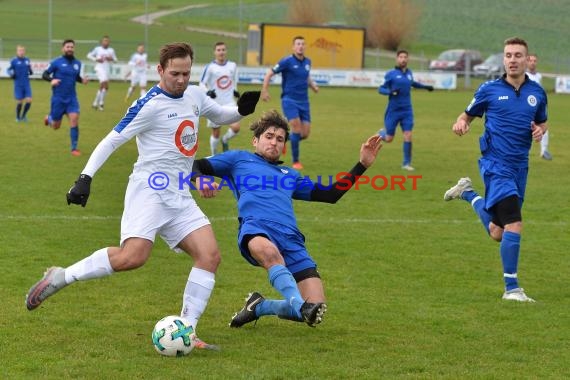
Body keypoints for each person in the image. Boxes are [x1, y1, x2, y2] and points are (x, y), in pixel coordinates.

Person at [25, 42, 261, 349]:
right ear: (160, 70)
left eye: (186, 73)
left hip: (178, 190)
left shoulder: (195, 93)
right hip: (148, 189)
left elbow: (221, 115)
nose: (181, 79)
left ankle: (186, 330)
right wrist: (84, 178)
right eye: (175, 73)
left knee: (209, 256)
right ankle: (62, 276)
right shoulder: (147, 105)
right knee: (132, 257)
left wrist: (242, 110)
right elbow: (111, 140)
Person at [190, 110, 382, 328]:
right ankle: (298, 304)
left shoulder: (290, 175)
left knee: (315, 309)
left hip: (291, 238)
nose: (274, 142)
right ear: (256, 140)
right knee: (270, 254)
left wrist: (362, 165)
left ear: (284, 146)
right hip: (256, 228)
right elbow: (194, 164)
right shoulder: (238, 159)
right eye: (269, 137)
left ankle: (259, 306)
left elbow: (331, 194)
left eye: (279, 139)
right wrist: (199, 179)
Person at [444, 37, 547, 303]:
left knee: (497, 232)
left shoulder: (537, 93)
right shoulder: (489, 89)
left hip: (520, 167)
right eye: (508, 55)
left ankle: (467, 193)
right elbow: (465, 115)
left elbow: (542, 123)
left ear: (527, 60)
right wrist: (460, 124)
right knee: (514, 223)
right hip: (495, 165)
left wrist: (539, 130)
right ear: (504, 59)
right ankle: (512, 289)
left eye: (517, 55)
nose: (512, 59)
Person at [261, 36, 319, 170]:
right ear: (293, 47)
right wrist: (264, 90)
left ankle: (287, 140)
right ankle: (296, 162)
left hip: (304, 101)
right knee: (296, 128)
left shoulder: (307, 62)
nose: (300, 46)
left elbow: (306, 76)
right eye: (298, 44)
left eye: (303, 44)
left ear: (305, 47)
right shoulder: (286, 61)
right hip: (289, 100)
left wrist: (313, 86)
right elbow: (269, 73)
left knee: (304, 134)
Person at [377, 50, 434, 171]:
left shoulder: (409, 73)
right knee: (388, 138)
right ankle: (380, 134)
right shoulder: (391, 74)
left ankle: (406, 164)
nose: (403, 59)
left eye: (405, 57)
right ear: (397, 59)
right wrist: (390, 92)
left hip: (407, 110)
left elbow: (412, 83)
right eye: (401, 57)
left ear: (408, 59)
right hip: (393, 111)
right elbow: (381, 89)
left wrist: (425, 87)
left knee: (408, 135)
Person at [42, 39, 89, 156]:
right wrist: (51, 80)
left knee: (74, 119)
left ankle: (74, 148)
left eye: (72, 47)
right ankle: (49, 118)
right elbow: (45, 74)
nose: (70, 49)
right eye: (67, 47)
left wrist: (82, 80)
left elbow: (76, 76)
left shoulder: (77, 63)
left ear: (74, 49)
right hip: (58, 99)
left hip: (72, 98)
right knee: (56, 126)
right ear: (63, 48)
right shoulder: (56, 62)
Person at [199, 41, 241, 155]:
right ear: (215, 52)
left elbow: (234, 80)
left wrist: (235, 91)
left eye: (223, 49)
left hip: (229, 102)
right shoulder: (210, 67)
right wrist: (208, 92)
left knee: (236, 127)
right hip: (214, 104)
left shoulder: (232, 65)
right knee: (216, 132)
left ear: (226, 51)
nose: (221, 52)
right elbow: (201, 83)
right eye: (218, 50)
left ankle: (225, 139)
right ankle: (214, 155)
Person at [527, 53, 552, 160]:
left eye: (534, 61)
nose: (532, 63)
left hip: (537, 106)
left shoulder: (539, 76)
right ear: (527, 62)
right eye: (530, 60)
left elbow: (540, 92)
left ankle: (543, 151)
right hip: (527, 107)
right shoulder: (524, 76)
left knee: (543, 127)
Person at [87, 35, 118, 111]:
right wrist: (96, 59)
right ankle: (101, 103)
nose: (106, 42)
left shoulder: (111, 50)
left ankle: (95, 103)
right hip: (99, 68)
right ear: (102, 42)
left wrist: (111, 59)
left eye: (107, 41)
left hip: (107, 69)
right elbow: (89, 55)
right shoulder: (97, 49)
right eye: (105, 41)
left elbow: (115, 60)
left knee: (105, 87)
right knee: (103, 83)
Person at [7, 45, 33, 122]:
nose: (21, 52)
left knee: (29, 100)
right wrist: (11, 74)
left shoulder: (27, 60)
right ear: (17, 52)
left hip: (26, 84)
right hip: (18, 84)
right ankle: (18, 117)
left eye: (22, 51)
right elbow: (8, 70)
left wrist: (30, 70)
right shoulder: (13, 61)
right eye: (19, 51)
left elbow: (29, 68)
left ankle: (24, 116)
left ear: (24, 52)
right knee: (20, 102)